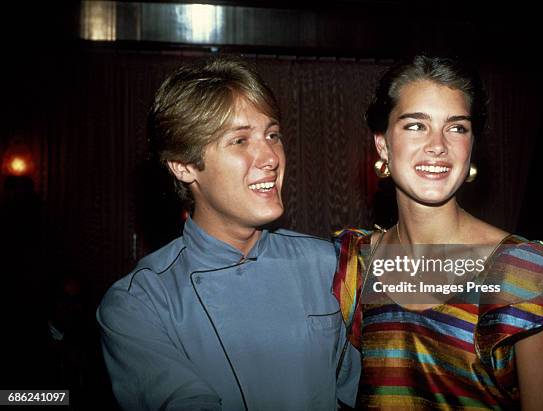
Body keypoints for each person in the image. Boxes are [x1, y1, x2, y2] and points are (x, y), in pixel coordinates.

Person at [333, 55, 543, 410]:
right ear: (382, 144)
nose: (438, 145)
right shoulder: (353, 263)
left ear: (471, 146)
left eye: (457, 127)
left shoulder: (526, 274)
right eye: (415, 125)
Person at [97, 57, 359, 411]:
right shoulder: (140, 302)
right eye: (240, 140)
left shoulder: (331, 263)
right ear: (184, 165)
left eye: (272, 135)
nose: (270, 156)